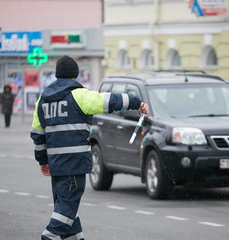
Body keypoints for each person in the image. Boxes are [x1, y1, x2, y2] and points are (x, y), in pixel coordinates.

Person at [30, 55, 148, 240]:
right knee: (66, 212)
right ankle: (48, 237)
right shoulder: (80, 95)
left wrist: (43, 161)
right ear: (75, 75)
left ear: (57, 75)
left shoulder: (43, 101)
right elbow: (111, 100)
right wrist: (136, 102)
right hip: (74, 165)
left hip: (57, 166)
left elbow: (38, 136)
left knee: (68, 211)